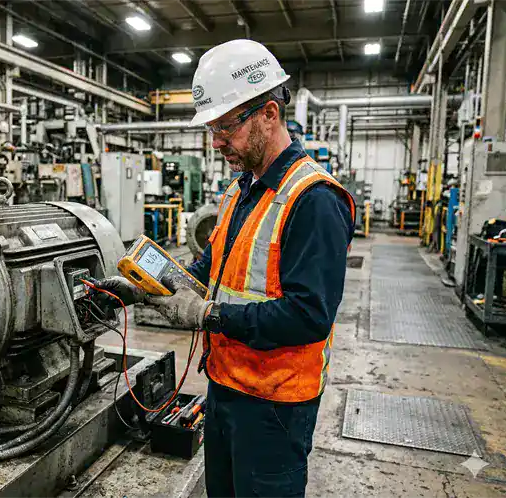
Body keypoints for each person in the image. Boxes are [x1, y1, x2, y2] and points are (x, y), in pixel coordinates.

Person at [93, 40, 355, 497]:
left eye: (224, 128)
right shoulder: (242, 190)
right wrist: (147, 286)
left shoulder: (314, 200)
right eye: (211, 129)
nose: (216, 143)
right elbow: (212, 268)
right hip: (225, 385)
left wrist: (208, 316)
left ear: (269, 114)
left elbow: (309, 317)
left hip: (275, 405)